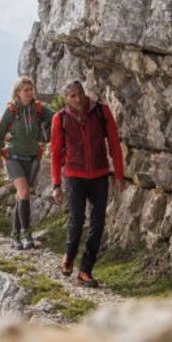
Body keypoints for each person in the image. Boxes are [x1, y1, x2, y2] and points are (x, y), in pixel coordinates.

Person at [50, 79, 125, 287]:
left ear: (84, 92)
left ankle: (85, 270)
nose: (78, 98)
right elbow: (55, 153)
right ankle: (69, 254)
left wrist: (119, 174)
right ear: (66, 99)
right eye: (72, 96)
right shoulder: (60, 119)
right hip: (74, 175)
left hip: (100, 175)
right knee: (76, 220)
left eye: (80, 93)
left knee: (98, 222)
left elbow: (115, 144)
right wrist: (56, 184)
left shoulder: (101, 112)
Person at [0, 76, 53, 250]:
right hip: (13, 158)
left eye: (30, 89)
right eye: (25, 90)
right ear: (18, 92)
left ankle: (15, 235)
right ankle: (26, 234)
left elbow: (56, 116)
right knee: (24, 192)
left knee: (21, 195)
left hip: (33, 158)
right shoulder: (11, 110)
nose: (29, 93)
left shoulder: (39, 108)